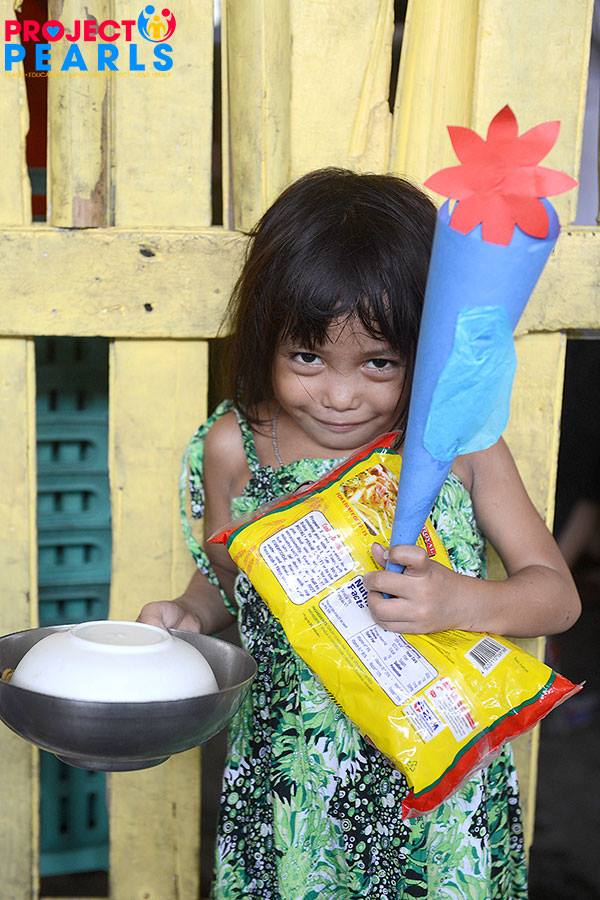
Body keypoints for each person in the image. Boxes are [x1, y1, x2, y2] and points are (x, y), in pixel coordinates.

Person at [137, 168, 581, 899]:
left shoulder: (459, 442)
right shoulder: (237, 448)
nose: (340, 395)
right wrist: (189, 613)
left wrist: (460, 601)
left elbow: (556, 597)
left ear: (426, 345)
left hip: (436, 785)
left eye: (379, 363)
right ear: (265, 336)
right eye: (307, 357)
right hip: (291, 786)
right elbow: (229, 580)